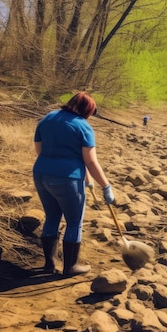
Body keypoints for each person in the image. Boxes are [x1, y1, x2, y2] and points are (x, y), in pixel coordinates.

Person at [33, 92, 115, 277]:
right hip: (67, 180)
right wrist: (106, 186)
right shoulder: (83, 127)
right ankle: (70, 267)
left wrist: (85, 177)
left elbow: (39, 151)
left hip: (41, 175)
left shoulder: (47, 118)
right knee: (74, 223)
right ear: (87, 111)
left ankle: (48, 264)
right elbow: (91, 161)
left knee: (52, 217)